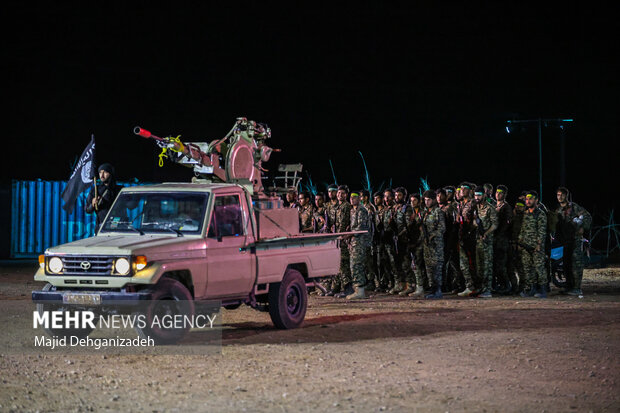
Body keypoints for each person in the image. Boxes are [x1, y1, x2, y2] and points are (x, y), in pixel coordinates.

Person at [555, 187, 592, 296]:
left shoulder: (574, 207)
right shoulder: (558, 210)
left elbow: (587, 217)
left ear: (566, 196)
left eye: (562, 195)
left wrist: (582, 227)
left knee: (576, 264)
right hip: (565, 241)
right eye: (558, 195)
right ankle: (569, 286)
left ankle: (577, 288)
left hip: (575, 240)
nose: (560, 197)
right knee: (566, 264)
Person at [518, 191, 548, 298]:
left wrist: (539, 244)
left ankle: (543, 290)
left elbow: (542, 231)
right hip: (526, 246)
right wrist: (520, 242)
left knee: (539, 267)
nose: (528, 201)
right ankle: (532, 288)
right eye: (526, 199)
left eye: (530, 199)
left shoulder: (540, 214)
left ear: (536, 200)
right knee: (527, 268)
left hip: (536, 246)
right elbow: (523, 229)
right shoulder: (526, 213)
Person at [473, 186, 498, 298]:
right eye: (475, 195)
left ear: (484, 195)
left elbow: (495, 224)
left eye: (479, 195)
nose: (477, 197)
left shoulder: (490, 208)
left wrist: (486, 233)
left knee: (487, 266)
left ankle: (487, 290)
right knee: (479, 267)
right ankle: (481, 288)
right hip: (478, 241)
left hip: (487, 242)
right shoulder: (476, 208)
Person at [346, 191, 371, 299]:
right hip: (354, 242)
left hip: (360, 242)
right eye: (351, 198)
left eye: (355, 197)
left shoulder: (362, 210)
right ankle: (359, 289)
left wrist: (349, 234)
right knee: (355, 265)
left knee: (356, 265)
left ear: (359, 199)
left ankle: (360, 290)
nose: (352, 199)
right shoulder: (352, 210)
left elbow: (361, 227)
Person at [422, 190, 446, 299]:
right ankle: (432, 288)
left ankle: (438, 290)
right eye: (425, 200)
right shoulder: (426, 212)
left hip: (436, 244)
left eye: (428, 200)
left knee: (437, 267)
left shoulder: (438, 212)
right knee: (429, 268)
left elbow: (442, 228)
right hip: (427, 245)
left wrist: (432, 235)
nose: (426, 202)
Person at [457, 183, 479, 297]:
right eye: (461, 189)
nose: (462, 191)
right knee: (463, 264)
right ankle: (469, 286)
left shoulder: (473, 203)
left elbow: (475, 221)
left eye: (465, 189)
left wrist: (469, 233)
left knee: (471, 263)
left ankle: (473, 287)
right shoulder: (461, 204)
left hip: (471, 237)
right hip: (462, 237)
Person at [85, 163, 122, 232]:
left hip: (117, 224)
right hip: (101, 226)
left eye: (105, 172)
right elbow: (87, 210)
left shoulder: (120, 190)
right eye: (100, 172)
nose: (102, 175)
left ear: (111, 174)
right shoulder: (95, 190)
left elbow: (131, 206)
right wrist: (92, 204)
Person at [493, 184, 515, 294]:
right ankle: (501, 285)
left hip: (502, 240)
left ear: (505, 194)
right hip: (494, 239)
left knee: (501, 265)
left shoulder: (506, 207)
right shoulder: (493, 206)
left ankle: (507, 285)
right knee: (496, 265)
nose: (498, 194)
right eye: (497, 192)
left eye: (500, 193)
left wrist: (500, 234)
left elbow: (508, 224)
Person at [393, 187, 415, 295]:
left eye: (399, 195)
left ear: (404, 196)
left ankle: (410, 284)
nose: (397, 197)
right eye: (396, 195)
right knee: (398, 264)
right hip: (396, 240)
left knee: (407, 263)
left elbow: (409, 224)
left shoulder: (407, 208)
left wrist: (401, 234)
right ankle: (402, 284)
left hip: (405, 239)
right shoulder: (395, 208)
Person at [334, 185, 353, 298]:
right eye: (338, 193)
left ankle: (348, 288)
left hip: (343, 239)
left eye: (342, 193)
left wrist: (342, 235)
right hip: (338, 238)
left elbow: (345, 224)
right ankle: (342, 287)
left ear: (346, 195)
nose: (340, 195)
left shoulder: (346, 206)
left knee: (344, 264)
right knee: (340, 264)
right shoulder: (338, 206)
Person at [407, 193, 426, 297]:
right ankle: (419, 286)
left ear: (419, 201)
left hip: (421, 243)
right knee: (415, 265)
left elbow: (422, 229)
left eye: (414, 200)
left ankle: (421, 287)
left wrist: (417, 242)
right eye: (411, 201)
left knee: (419, 265)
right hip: (414, 243)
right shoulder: (412, 213)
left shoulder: (422, 212)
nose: (412, 202)